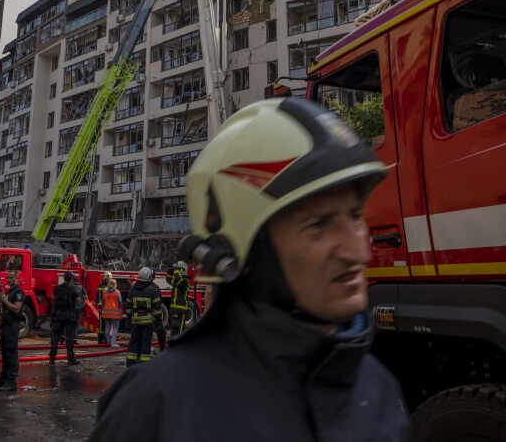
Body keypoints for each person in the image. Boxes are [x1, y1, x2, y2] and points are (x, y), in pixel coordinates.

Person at [92, 98, 410, 441]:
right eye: (318, 225)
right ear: (244, 252)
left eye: (354, 216)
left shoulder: (377, 387)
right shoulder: (158, 406)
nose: (359, 252)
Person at [0, 269, 24, 392]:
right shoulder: (9, 291)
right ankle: (3, 379)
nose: (8, 280)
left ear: (16, 278)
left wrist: (5, 300)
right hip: (5, 325)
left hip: (12, 325)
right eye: (7, 278)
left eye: (11, 278)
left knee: (11, 354)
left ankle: (11, 382)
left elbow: (17, 309)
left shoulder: (18, 292)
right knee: (5, 354)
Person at [124, 266, 161, 366]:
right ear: (149, 277)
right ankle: (144, 364)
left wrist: (128, 319)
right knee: (145, 342)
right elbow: (157, 308)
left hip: (135, 320)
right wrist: (159, 321)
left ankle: (130, 363)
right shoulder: (152, 290)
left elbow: (128, 307)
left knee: (134, 341)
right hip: (147, 321)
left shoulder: (132, 290)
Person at [48, 271, 81, 366]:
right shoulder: (73, 289)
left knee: (55, 337)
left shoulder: (57, 288)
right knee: (70, 337)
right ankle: (71, 359)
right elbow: (78, 302)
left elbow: (53, 298)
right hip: (70, 316)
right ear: (71, 279)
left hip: (59, 315)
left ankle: (52, 360)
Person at [168, 262, 191, 338]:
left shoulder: (185, 280)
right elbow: (169, 280)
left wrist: (176, 270)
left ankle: (177, 343)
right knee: (174, 328)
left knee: (179, 329)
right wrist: (170, 271)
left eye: (177, 268)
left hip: (180, 308)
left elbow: (177, 280)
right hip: (174, 308)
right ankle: (174, 342)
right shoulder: (177, 279)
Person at [101, 279, 123, 348]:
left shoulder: (104, 292)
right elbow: (120, 303)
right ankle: (113, 343)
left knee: (107, 327)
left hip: (106, 313)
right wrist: (121, 310)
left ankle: (108, 342)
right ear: (114, 284)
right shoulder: (117, 292)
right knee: (115, 327)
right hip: (115, 313)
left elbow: (102, 304)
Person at [95, 271, 112, 343]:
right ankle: (101, 340)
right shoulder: (101, 286)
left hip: (109, 308)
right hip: (103, 308)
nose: (108, 280)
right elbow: (98, 297)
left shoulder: (110, 286)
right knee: (102, 324)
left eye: (109, 279)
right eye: (107, 279)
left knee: (108, 324)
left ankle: (106, 338)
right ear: (104, 278)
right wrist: (100, 307)